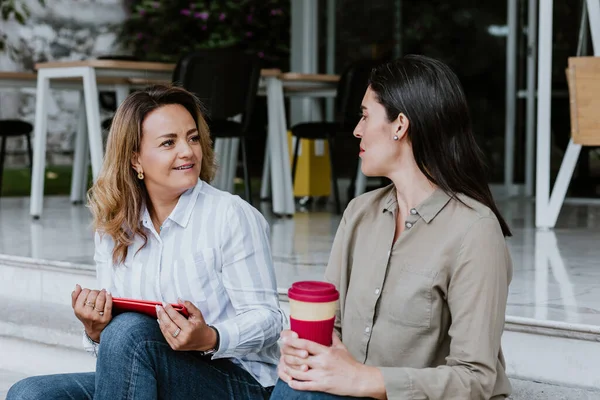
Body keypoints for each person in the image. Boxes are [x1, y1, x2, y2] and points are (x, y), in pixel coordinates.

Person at [8, 85, 285, 400]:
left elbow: (269, 319)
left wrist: (210, 337)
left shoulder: (230, 215)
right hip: (157, 371)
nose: (188, 151)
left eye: (192, 138)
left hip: (240, 384)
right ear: (135, 159)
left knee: (130, 333)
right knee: (30, 393)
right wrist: (96, 331)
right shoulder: (114, 225)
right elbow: (121, 355)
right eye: (169, 142)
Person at [270, 55, 513, 400]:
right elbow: (332, 327)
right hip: (347, 394)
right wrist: (301, 353)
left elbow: (476, 379)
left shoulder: (474, 231)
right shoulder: (359, 213)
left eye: (365, 116)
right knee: (297, 384)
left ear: (400, 125)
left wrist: (365, 380)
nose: (356, 130)